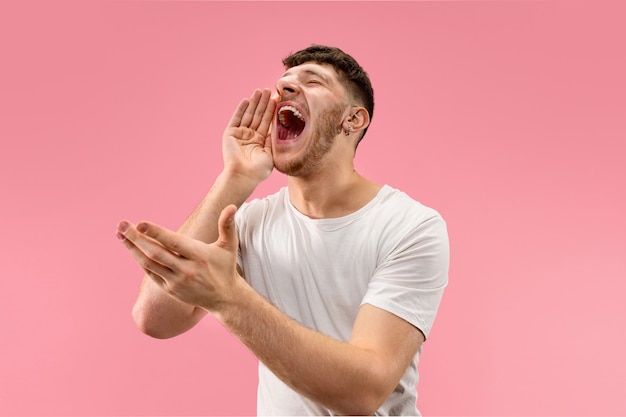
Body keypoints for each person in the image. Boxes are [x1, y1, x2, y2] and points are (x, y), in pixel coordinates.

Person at [116, 45, 449, 415]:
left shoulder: (410, 227)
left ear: (353, 120)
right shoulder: (247, 224)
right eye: (284, 84)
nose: (285, 90)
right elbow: (155, 318)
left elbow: (364, 392)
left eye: (312, 81)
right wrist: (236, 178)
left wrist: (229, 298)